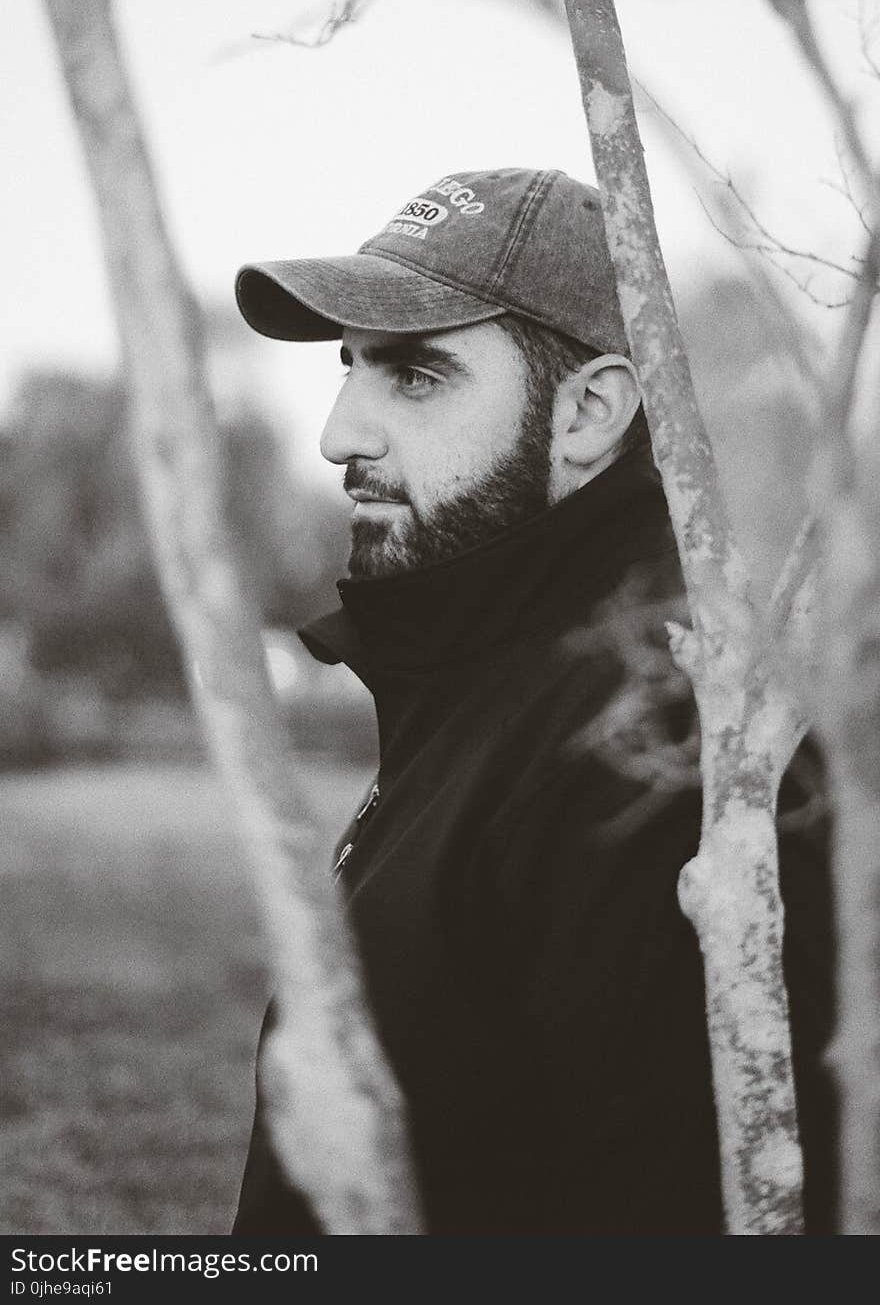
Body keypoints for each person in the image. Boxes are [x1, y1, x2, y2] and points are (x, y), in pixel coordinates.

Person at [231, 167, 836, 1235]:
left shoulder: (648, 743)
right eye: (349, 369)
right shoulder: (486, 679)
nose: (338, 435)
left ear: (591, 410)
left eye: (413, 376)